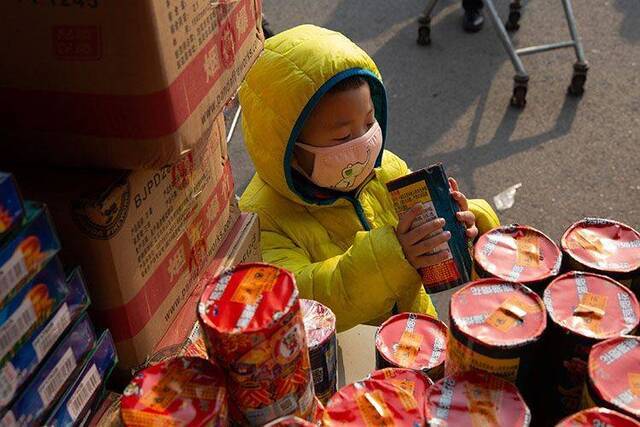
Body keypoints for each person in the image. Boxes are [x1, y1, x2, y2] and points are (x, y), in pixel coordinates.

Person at [238, 25, 499, 331]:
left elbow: (439, 251)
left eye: (370, 121)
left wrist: (470, 227)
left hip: (418, 335)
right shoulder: (262, 219)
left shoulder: (385, 168)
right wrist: (395, 254)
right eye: (343, 136)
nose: (364, 143)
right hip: (346, 360)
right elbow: (300, 301)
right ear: (289, 148)